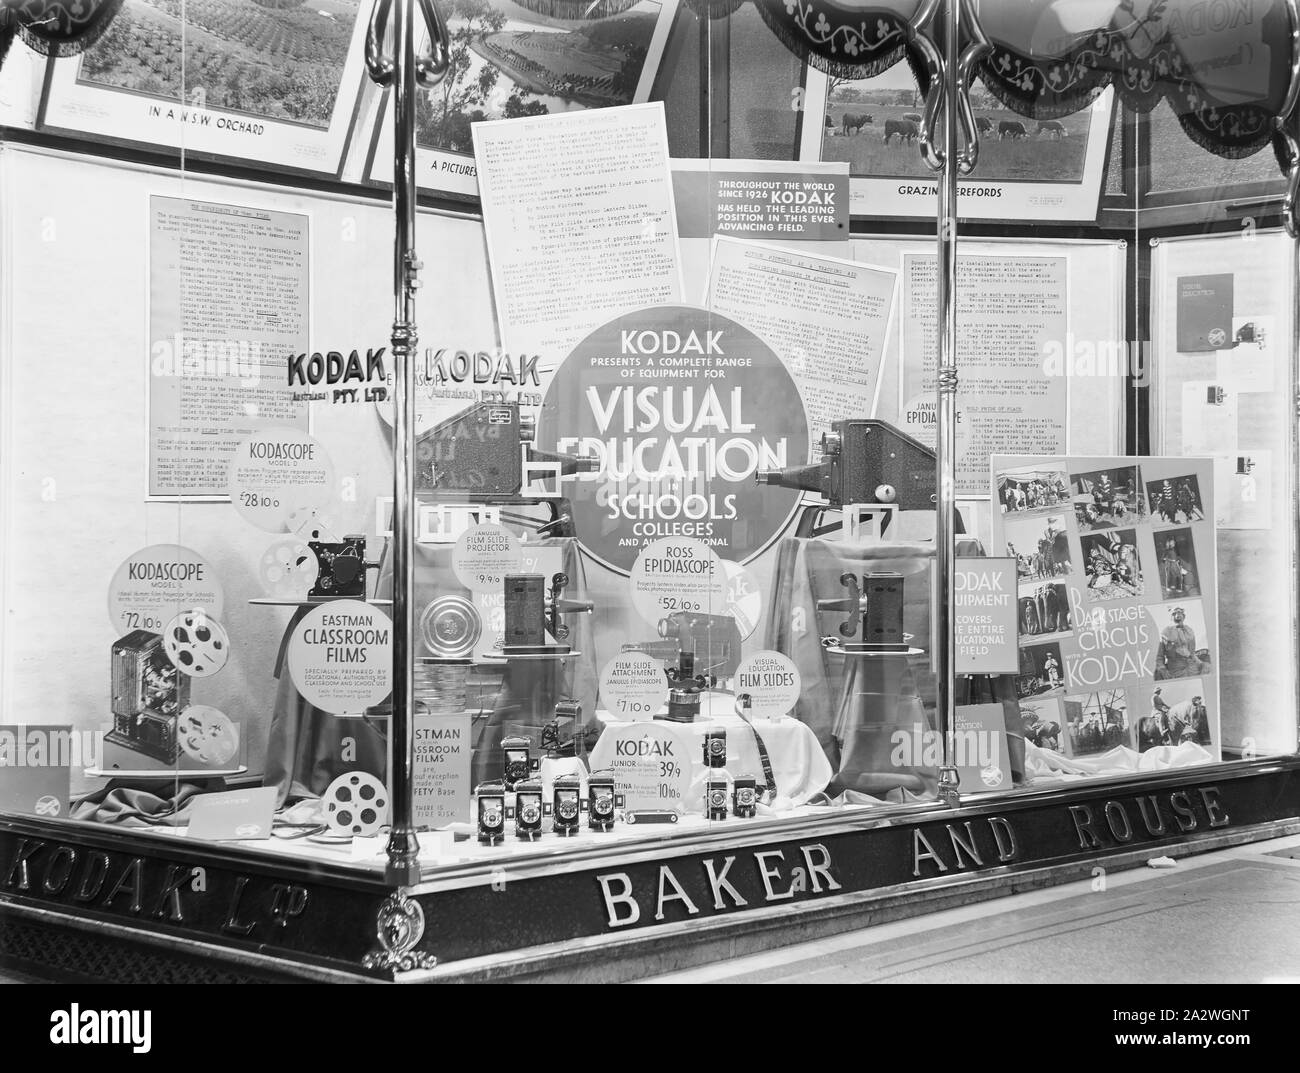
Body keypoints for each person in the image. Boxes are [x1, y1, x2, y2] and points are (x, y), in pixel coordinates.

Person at [1158, 607, 1199, 678]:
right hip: (1175, 670)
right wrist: (1163, 670)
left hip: (1192, 669)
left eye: (1179, 613)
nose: (1177, 615)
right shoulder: (1166, 632)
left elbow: (1192, 653)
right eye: (1174, 614)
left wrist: (1201, 664)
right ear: (1171, 618)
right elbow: (1159, 655)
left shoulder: (1190, 631)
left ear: (1184, 616)